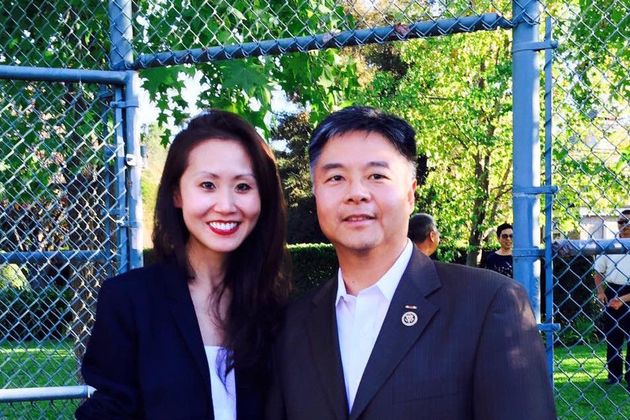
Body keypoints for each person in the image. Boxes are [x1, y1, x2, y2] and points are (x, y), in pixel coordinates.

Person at [267, 106, 556, 419]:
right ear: (316, 193)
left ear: (410, 194)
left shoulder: (489, 304)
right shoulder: (292, 325)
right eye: (335, 177)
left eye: (376, 176)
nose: (356, 193)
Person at [76, 110, 290, 419]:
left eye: (243, 186)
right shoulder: (130, 300)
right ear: (177, 194)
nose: (226, 206)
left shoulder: (277, 309)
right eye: (207, 185)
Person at [594, 209, 630, 389]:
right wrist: (601, 292)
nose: (624, 226)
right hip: (613, 291)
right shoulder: (610, 246)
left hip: (628, 293)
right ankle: (614, 375)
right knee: (613, 337)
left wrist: (623, 299)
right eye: (621, 222)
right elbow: (598, 272)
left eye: (627, 222)